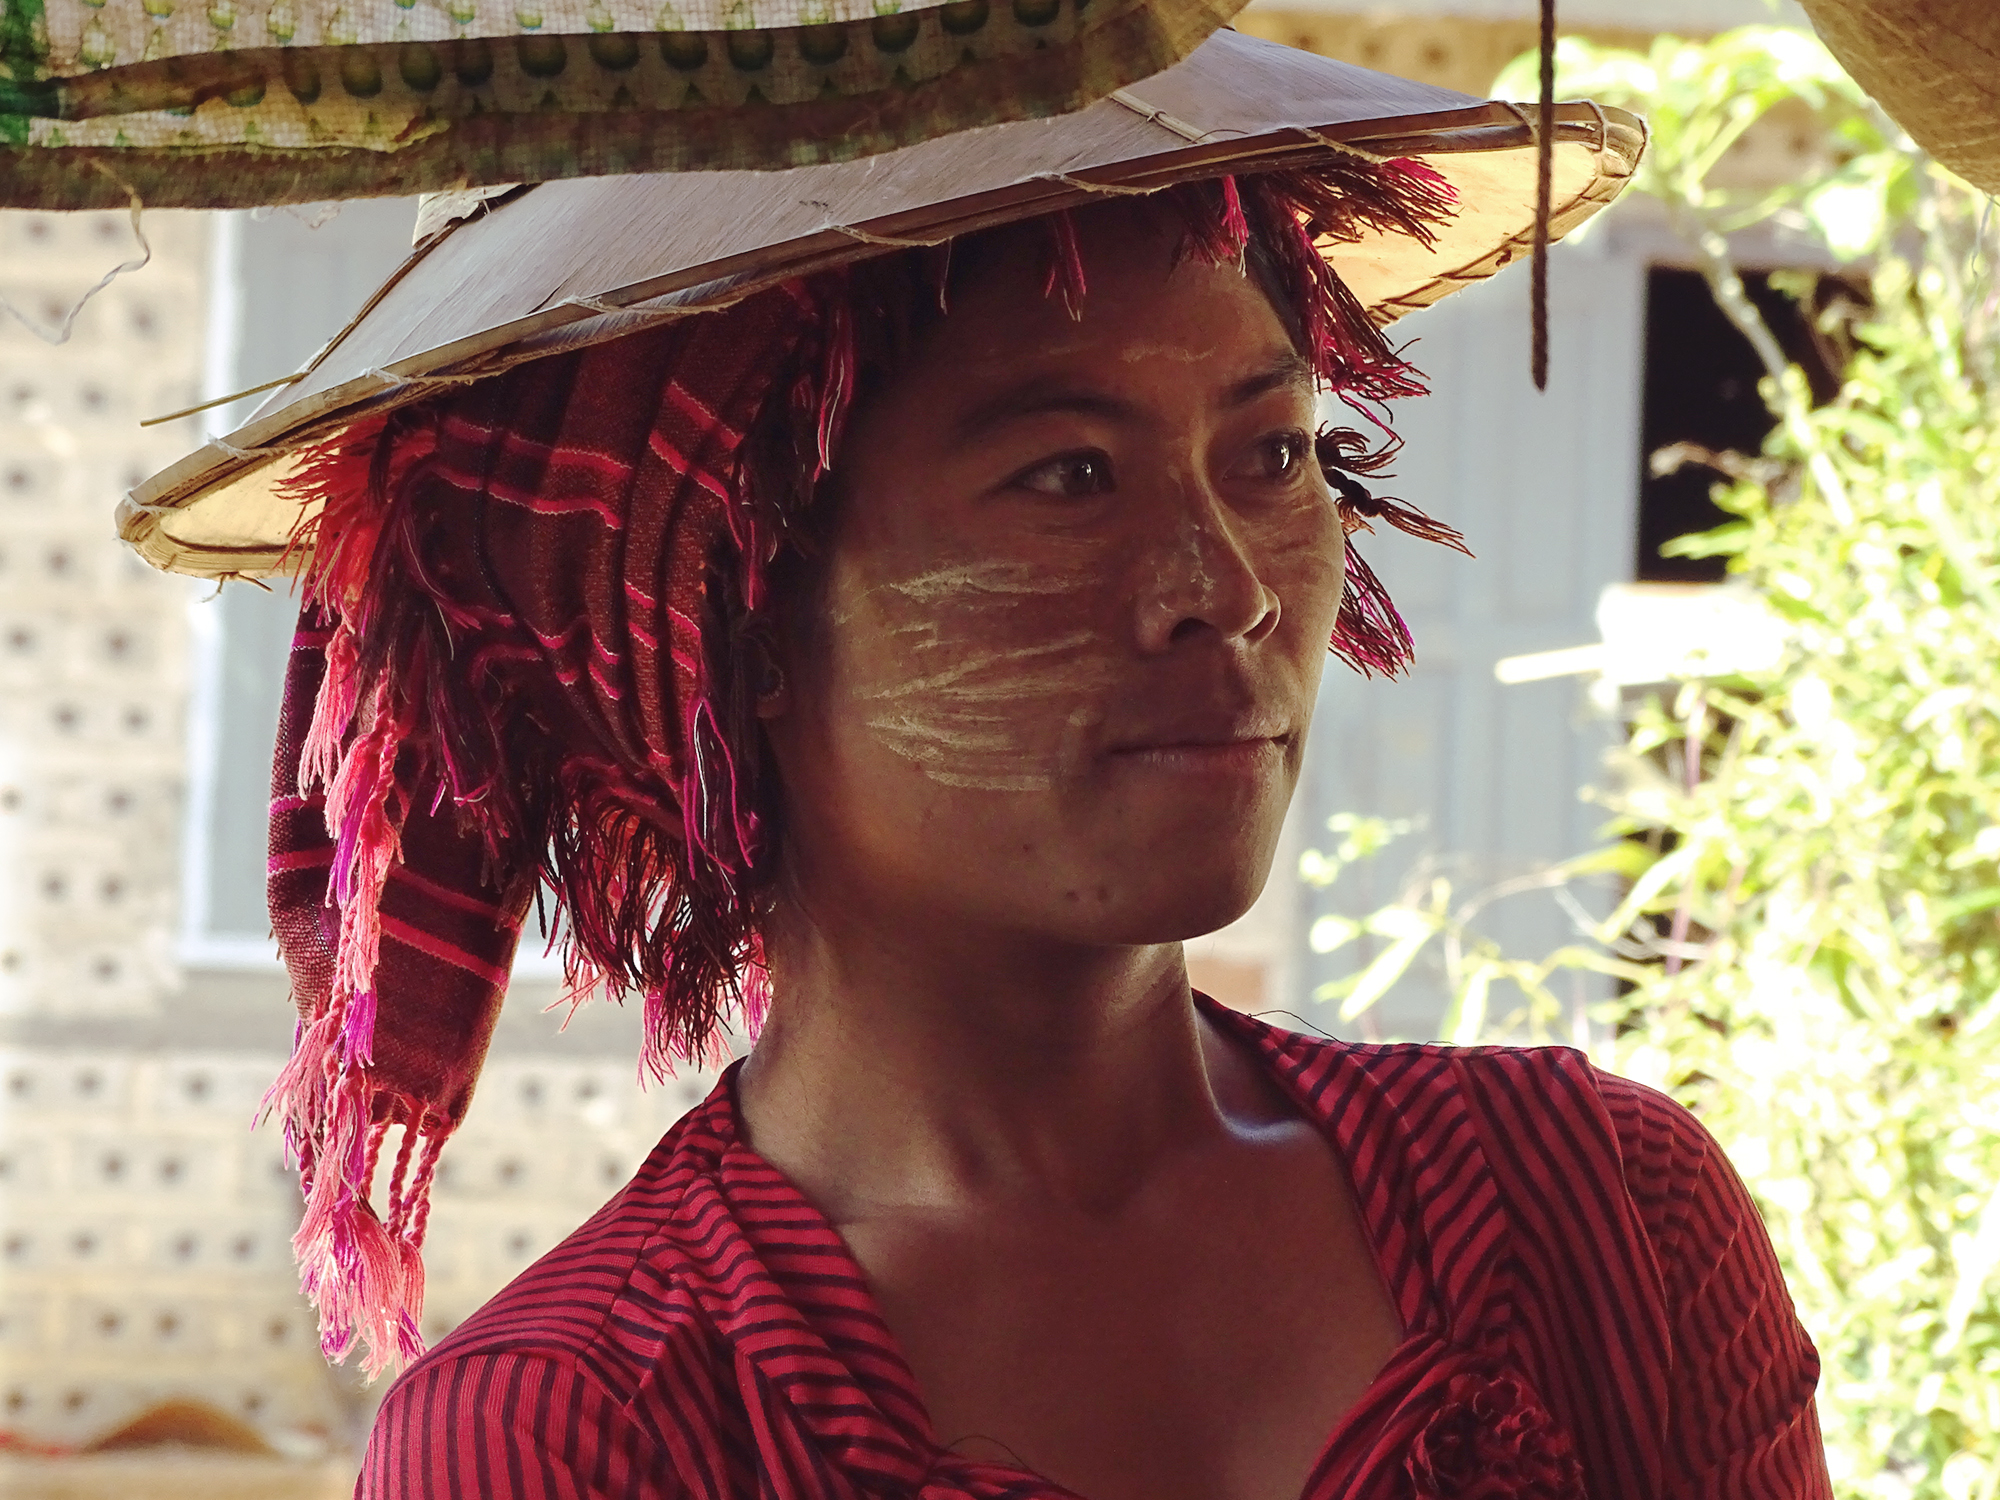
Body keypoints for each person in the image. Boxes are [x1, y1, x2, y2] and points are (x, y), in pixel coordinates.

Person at [216, 44, 1827, 1500]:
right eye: (1068, 476)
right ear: (734, 619)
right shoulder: (580, 1442)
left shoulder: (1600, 1220)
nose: (1229, 587)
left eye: (1272, 454)